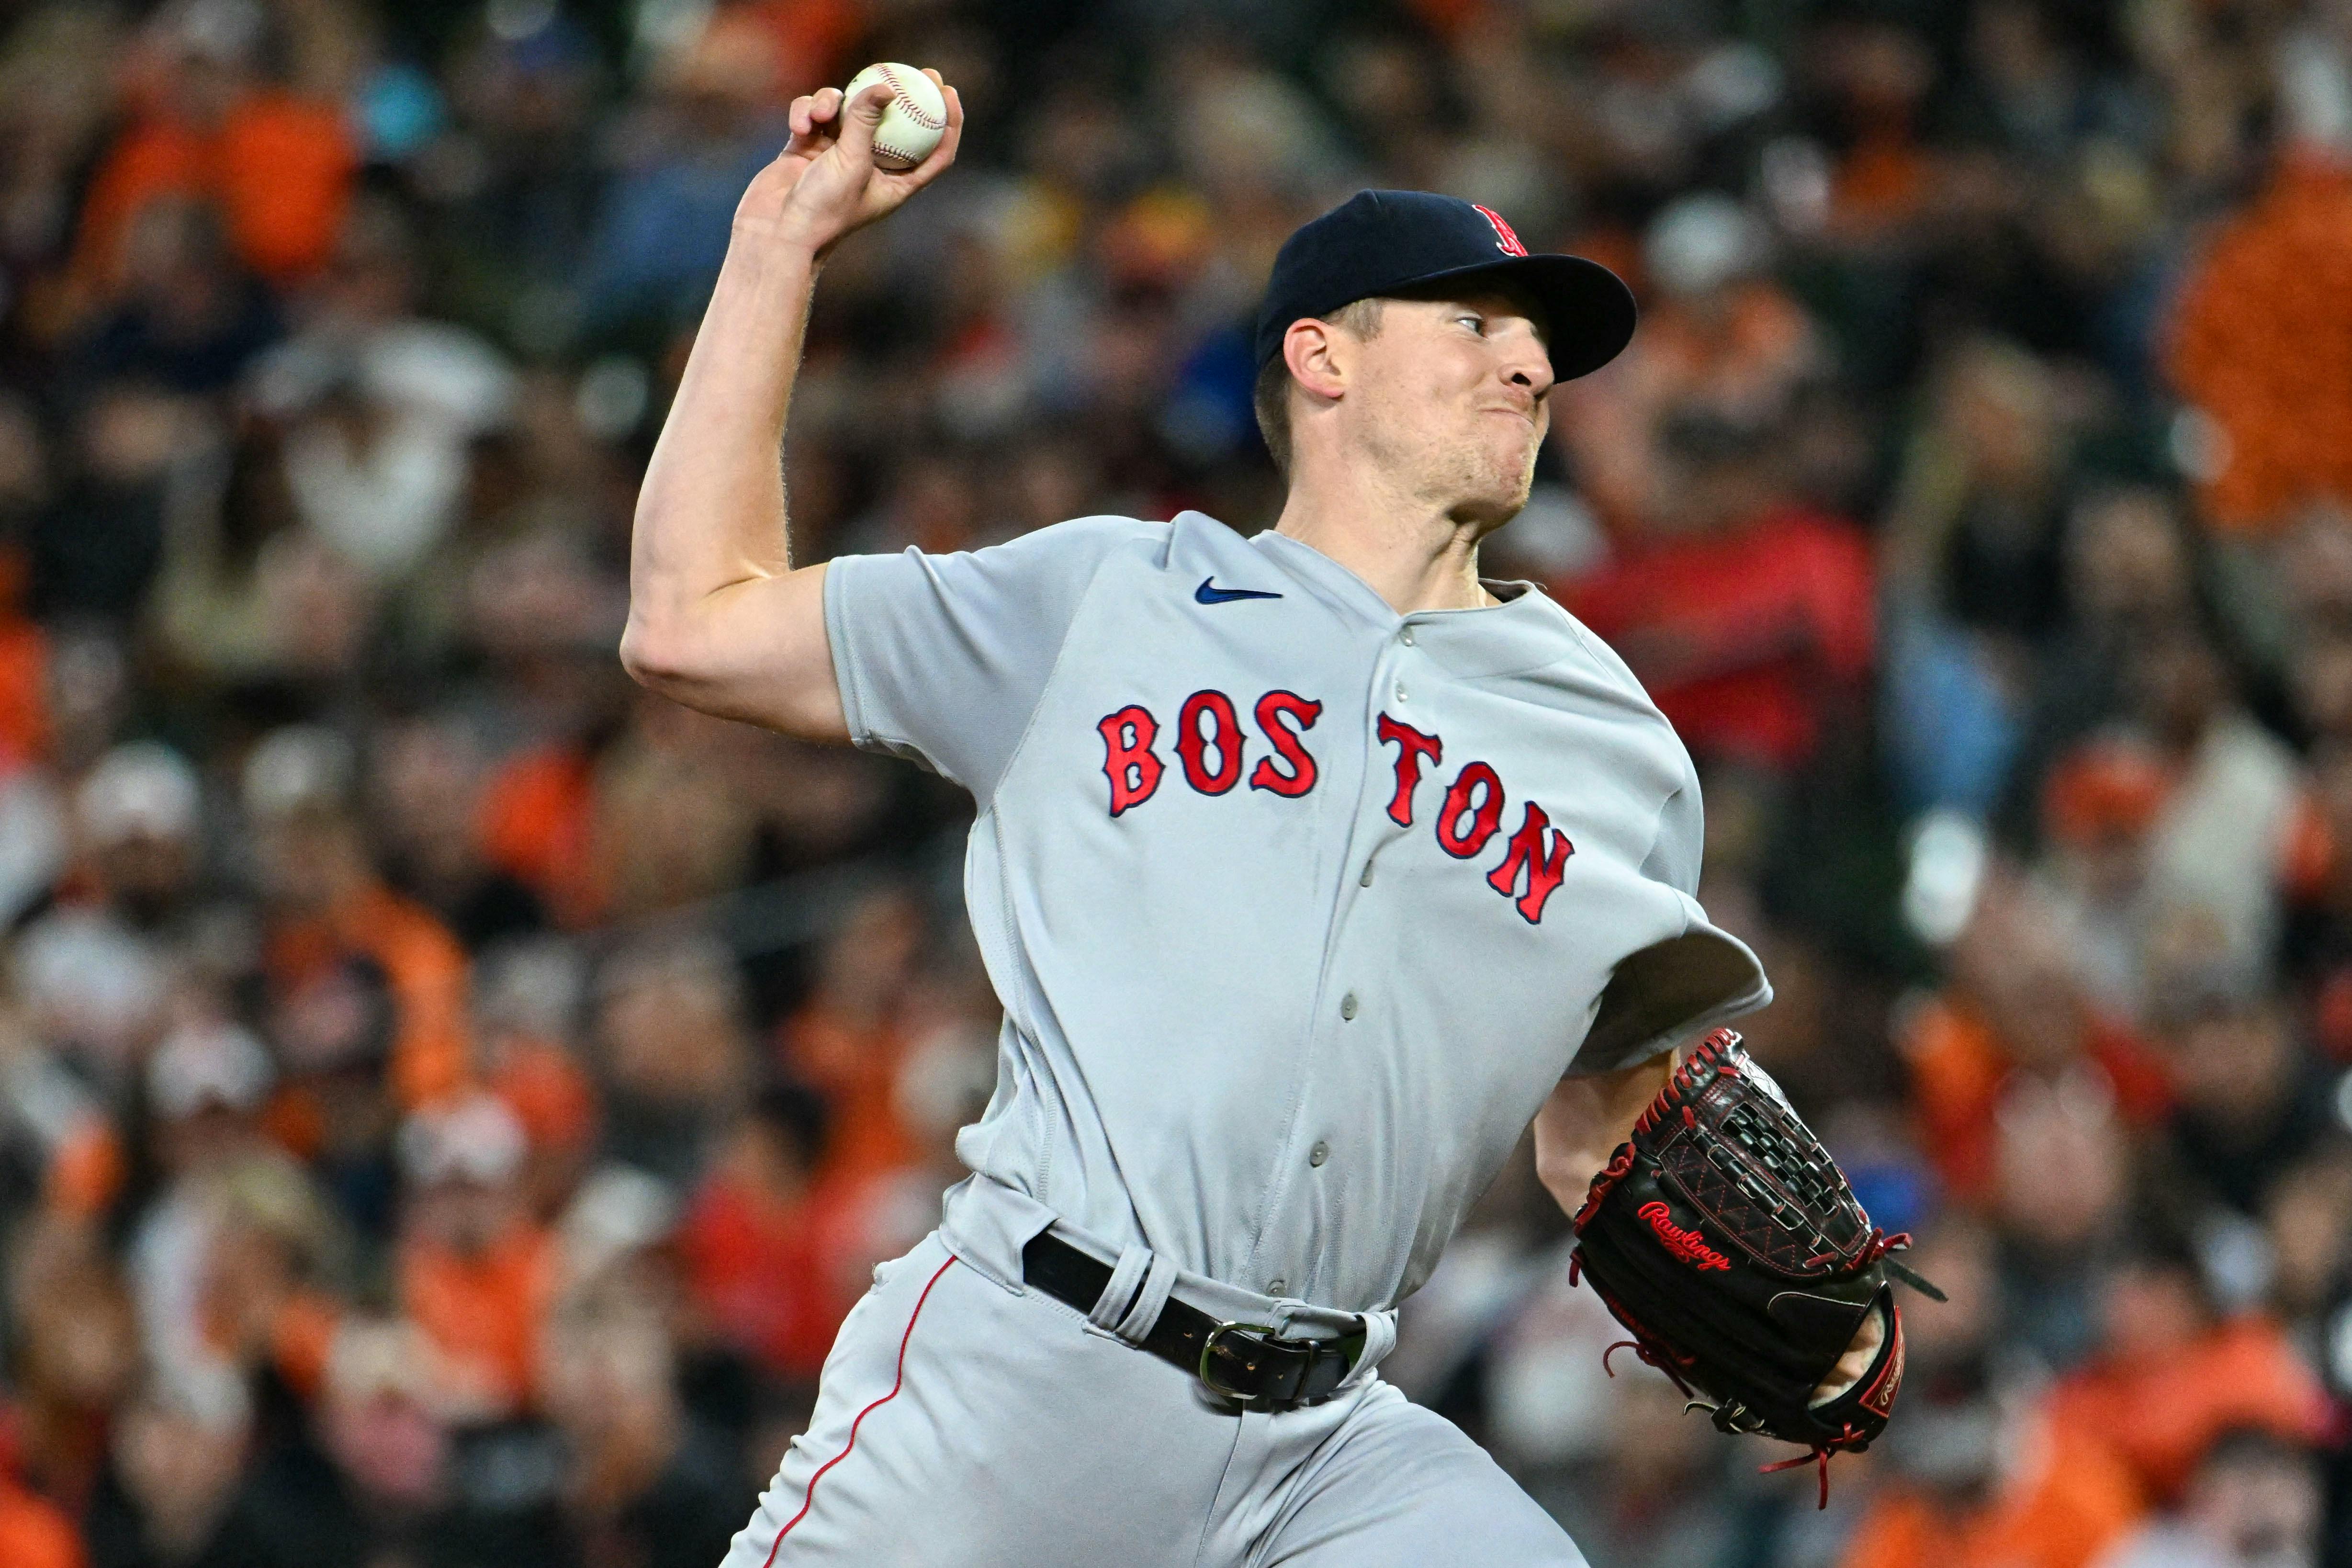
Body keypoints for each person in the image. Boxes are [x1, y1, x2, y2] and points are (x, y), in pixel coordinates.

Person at [621, 76, 1866, 1566]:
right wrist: (776, 247)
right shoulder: (1103, 598)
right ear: (1319, 356)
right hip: (1026, 1379)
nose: (1529, 367)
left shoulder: (1616, 749)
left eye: (1540, 346)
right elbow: (692, 620)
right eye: (1474, 324)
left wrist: (1815, 1296)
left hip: (1327, 1448)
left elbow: (1610, 1120)